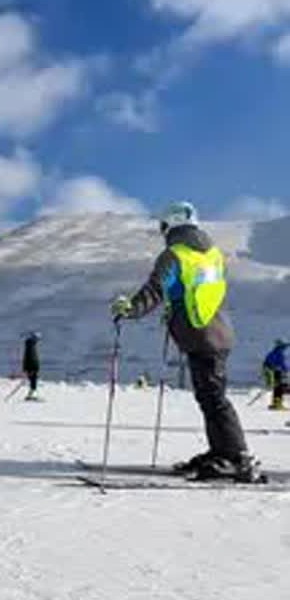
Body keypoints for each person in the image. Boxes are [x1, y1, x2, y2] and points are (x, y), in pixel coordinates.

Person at [111, 201, 259, 482]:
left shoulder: (175, 255)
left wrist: (129, 309)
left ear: (169, 225)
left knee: (213, 397)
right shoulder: (213, 254)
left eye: (162, 227)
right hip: (215, 330)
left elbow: (155, 290)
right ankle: (222, 452)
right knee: (209, 395)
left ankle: (236, 457)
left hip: (200, 333)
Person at [263, 339, 288, 411]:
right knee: (279, 389)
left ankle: (275, 403)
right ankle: (277, 404)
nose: (285, 348)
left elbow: (267, 362)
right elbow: (282, 364)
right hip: (276, 372)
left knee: (277, 388)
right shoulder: (279, 353)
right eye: (284, 346)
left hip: (273, 372)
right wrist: (286, 370)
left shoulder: (272, 352)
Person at [22, 332, 41, 399]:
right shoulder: (31, 346)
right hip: (32, 367)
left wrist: (25, 368)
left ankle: (31, 394)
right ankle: (32, 395)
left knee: (33, 381)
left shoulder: (29, 345)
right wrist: (35, 367)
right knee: (33, 381)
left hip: (30, 367)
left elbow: (26, 358)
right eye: (38, 339)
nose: (38, 341)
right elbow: (33, 358)